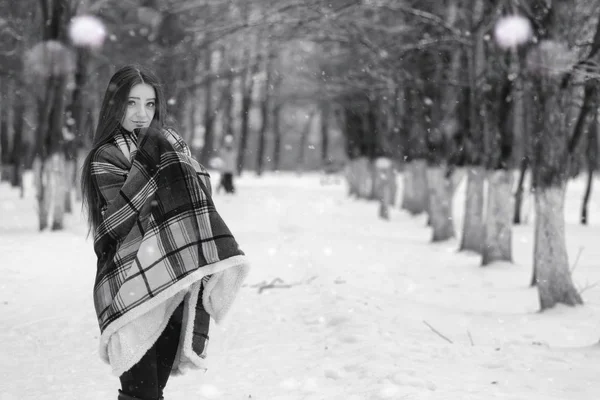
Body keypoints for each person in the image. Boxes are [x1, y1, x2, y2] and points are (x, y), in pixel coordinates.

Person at [80, 64, 250, 400]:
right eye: (131, 103)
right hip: (128, 285)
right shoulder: (106, 157)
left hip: (173, 283)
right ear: (115, 106)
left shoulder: (171, 145)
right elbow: (122, 222)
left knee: (153, 392)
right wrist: (165, 162)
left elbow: (198, 199)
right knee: (139, 393)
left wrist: (167, 160)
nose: (141, 114)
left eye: (150, 104)